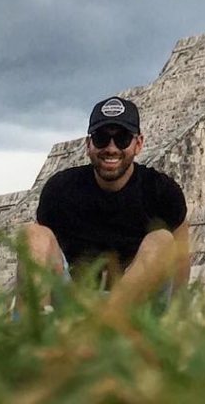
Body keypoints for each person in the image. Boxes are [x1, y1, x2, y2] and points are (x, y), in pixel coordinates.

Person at [20, 96, 189, 312]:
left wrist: (179, 318)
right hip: (74, 300)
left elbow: (181, 261)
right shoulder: (60, 190)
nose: (111, 148)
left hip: (136, 307)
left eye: (122, 138)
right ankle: (33, 325)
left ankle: (108, 320)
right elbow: (39, 254)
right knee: (33, 234)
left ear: (138, 144)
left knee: (162, 240)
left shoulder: (161, 191)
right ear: (88, 144)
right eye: (101, 138)